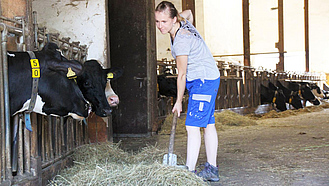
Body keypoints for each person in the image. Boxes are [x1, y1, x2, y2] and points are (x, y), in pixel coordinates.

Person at [155, 1, 221, 182]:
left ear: (173, 19)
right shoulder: (184, 21)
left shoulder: (181, 41)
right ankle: (212, 169)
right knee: (207, 124)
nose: (160, 26)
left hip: (202, 81)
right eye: (158, 21)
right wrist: (182, 16)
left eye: (164, 22)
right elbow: (190, 12)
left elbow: (182, 74)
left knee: (192, 126)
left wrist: (178, 101)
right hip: (209, 77)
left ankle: (189, 174)